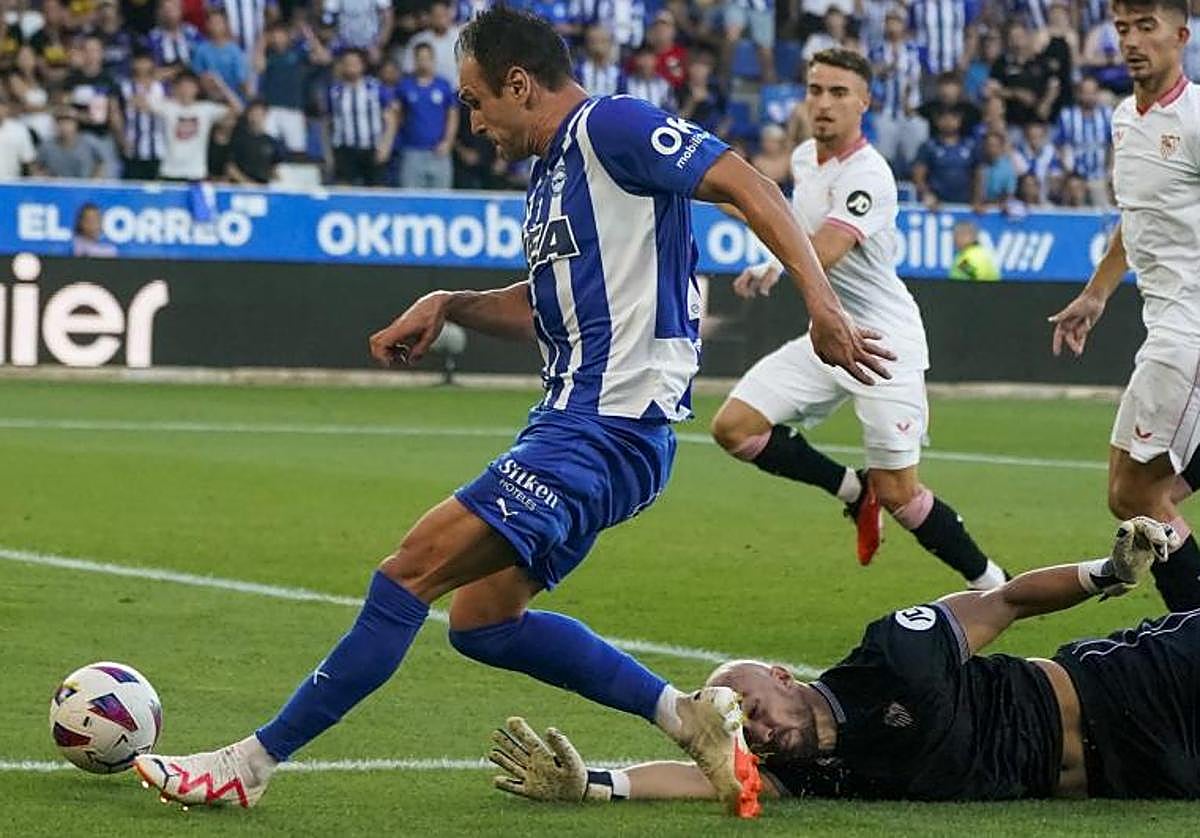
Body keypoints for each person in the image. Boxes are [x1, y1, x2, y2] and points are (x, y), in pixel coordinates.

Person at [131, 6, 892, 817]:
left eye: (474, 100)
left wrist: (822, 306)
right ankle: (688, 718)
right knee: (483, 622)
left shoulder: (612, 127)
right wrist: (450, 302)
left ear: (519, 84)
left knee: (407, 573)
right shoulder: (553, 176)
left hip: (605, 430)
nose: (472, 121)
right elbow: (545, 304)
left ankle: (248, 764)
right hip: (579, 428)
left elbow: (747, 184)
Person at [489, 518, 1200, 806]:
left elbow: (1006, 601)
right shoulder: (814, 770)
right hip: (1139, 774)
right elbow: (704, 779)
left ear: (782, 677)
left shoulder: (892, 654)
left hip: (1129, 687)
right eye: (744, 732)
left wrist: (1107, 572)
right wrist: (595, 786)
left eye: (753, 710)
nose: (758, 732)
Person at [711, 48, 1005, 587]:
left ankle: (993, 583)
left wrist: (767, 249)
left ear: (864, 102)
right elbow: (786, 222)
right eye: (815, 90)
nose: (824, 103)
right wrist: (755, 247)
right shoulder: (806, 157)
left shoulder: (869, 176)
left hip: (881, 343)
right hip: (829, 334)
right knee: (734, 428)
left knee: (901, 494)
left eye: (839, 92)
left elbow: (823, 250)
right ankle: (853, 489)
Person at [1051, 0, 1200, 615]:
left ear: (1181, 36)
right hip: (1164, 324)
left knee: (1138, 496)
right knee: (1129, 495)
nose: (1132, 40)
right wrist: (1097, 292)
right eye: (1123, 29)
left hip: (1188, 334)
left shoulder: (1195, 119)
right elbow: (1135, 218)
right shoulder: (1123, 118)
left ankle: (1192, 629)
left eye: (1147, 27)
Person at [143, 69, 242, 181]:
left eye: (190, 87)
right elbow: (141, 101)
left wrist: (220, 85)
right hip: (169, 171)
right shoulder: (167, 107)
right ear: (176, 88)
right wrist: (159, 78)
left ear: (197, 89)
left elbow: (238, 109)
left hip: (196, 173)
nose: (186, 90)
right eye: (182, 86)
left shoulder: (205, 109)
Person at [326, 48, 395, 186]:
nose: (351, 66)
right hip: (344, 149)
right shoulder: (335, 91)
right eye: (347, 63)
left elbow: (391, 119)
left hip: (372, 147)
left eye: (355, 63)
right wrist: (328, 152)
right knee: (343, 189)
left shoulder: (375, 88)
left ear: (362, 65)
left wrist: (386, 146)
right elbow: (327, 123)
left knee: (377, 190)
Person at [395, 41, 457, 189]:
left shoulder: (444, 85)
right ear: (414, 60)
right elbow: (396, 116)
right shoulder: (404, 86)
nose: (423, 62)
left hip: (439, 152)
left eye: (427, 58)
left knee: (441, 197)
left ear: (433, 59)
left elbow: (453, 116)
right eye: (420, 58)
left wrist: (448, 142)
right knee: (411, 196)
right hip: (412, 151)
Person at [114, 50, 165, 180]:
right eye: (139, 61)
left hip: (158, 147)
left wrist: (148, 106)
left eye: (145, 61)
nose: (142, 65)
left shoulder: (162, 87)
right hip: (132, 146)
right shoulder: (124, 87)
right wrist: (121, 139)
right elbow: (116, 114)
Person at [912, 109, 977, 209]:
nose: (948, 122)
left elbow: (978, 174)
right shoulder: (928, 146)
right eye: (944, 118)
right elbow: (918, 176)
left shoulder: (970, 145)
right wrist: (926, 195)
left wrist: (977, 199)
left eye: (953, 118)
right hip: (936, 206)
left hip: (965, 205)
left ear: (959, 121)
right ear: (937, 122)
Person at [191, 10, 250, 101]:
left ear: (225, 25)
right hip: (209, 97)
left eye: (218, 23)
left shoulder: (235, 50)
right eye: (212, 23)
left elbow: (242, 79)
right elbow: (197, 75)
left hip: (233, 96)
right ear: (207, 25)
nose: (215, 26)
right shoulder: (201, 50)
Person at [36, 108, 108, 178]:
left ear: (76, 124)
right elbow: (38, 168)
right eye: (60, 122)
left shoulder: (90, 142)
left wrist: (94, 181)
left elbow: (102, 163)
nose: (64, 126)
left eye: (68, 122)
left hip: (86, 184)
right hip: (57, 184)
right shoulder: (46, 146)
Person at [227, 98, 281, 183]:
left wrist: (278, 180)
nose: (256, 117)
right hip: (239, 186)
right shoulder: (238, 138)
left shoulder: (271, 142)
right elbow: (230, 167)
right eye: (253, 113)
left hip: (263, 187)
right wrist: (248, 184)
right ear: (248, 115)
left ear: (265, 115)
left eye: (259, 113)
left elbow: (274, 168)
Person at [574, 23, 625, 97]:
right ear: (586, 44)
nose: (598, 46)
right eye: (593, 42)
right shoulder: (578, 72)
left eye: (603, 41)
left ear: (610, 44)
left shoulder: (618, 74)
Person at [0, 94, 36, 179]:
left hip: (11, 183)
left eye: (2, 106)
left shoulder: (19, 130)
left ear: (7, 108)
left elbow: (28, 160)